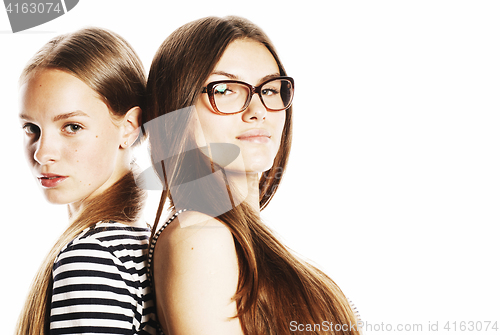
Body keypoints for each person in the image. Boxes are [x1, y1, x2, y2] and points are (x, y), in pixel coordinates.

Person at [144, 16, 361, 335]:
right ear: (177, 111)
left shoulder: (233, 238)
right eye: (225, 89)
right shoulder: (201, 237)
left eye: (270, 90)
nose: (257, 109)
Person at [16, 27, 157, 334]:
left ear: (129, 127)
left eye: (72, 126)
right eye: (32, 128)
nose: (42, 153)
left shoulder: (91, 257)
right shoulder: (144, 241)